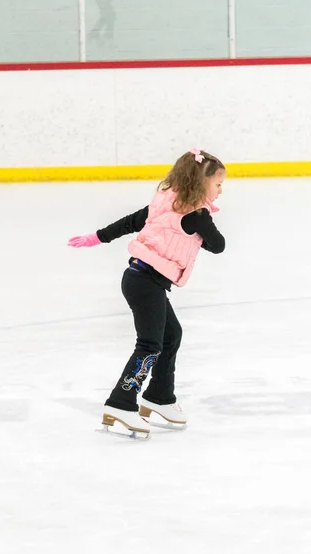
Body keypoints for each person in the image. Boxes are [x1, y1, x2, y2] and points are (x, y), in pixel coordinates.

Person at [68, 148, 226, 437]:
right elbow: (218, 245)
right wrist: (202, 228)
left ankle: (159, 396)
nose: (220, 191)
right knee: (150, 344)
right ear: (201, 183)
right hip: (147, 282)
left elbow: (132, 221)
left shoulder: (165, 203)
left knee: (170, 335)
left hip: (139, 277)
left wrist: (96, 238)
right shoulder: (197, 214)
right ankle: (121, 402)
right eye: (217, 184)